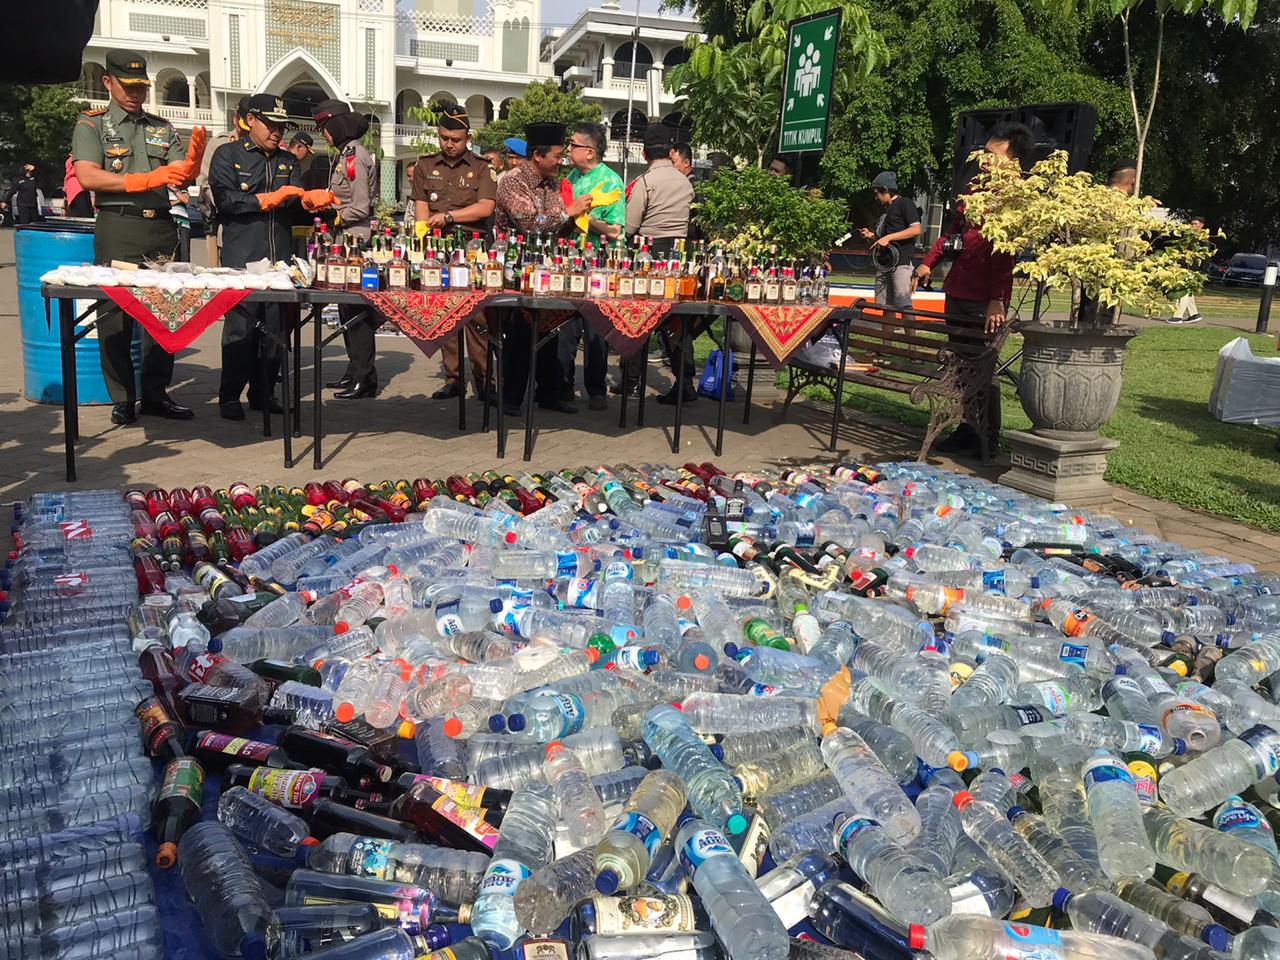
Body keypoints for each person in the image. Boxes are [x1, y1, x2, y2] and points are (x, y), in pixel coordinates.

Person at [72, 48, 206, 425]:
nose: (135, 93)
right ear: (108, 82)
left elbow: (179, 171)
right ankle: (122, 397)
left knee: (164, 313)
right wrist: (141, 180)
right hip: (120, 226)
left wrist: (191, 164)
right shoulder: (92, 125)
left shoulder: (161, 128)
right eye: (127, 85)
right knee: (114, 315)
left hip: (162, 227)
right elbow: (88, 176)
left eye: (141, 87)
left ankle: (155, 394)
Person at [914, 119, 1034, 456]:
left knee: (983, 367)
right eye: (984, 152)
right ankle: (965, 429)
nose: (984, 159)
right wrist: (929, 262)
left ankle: (986, 437)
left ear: (1012, 161)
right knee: (959, 363)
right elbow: (953, 230)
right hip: (958, 289)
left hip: (986, 298)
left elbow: (1004, 253)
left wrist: (997, 299)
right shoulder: (975, 189)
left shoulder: (1014, 198)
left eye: (992, 154)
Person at [208, 94, 316, 420]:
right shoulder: (228, 155)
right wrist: (267, 200)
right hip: (243, 256)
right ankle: (229, 395)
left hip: (278, 258)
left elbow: (295, 204)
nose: (277, 132)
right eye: (271, 124)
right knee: (240, 329)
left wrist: (309, 203)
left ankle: (264, 392)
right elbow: (226, 200)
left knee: (275, 331)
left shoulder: (289, 161)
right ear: (250, 120)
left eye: (281, 126)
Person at [494, 121, 592, 416]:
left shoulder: (550, 182)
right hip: (515, 268)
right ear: (537, 155)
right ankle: (510, 398)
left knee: (552, 331)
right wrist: (568, 211)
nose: (561, 161)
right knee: (520, 334)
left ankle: (549, 393)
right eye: (557, 156)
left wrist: (576, 220)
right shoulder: (512, 181)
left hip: (545, 267)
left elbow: (555, 226)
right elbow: (528, 222)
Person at [411, 102, 498, 402]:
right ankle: (453, 379)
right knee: (445, 313)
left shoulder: (481, 168)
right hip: (438, 250)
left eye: (456, 139)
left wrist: (449, 217)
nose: (449, 144)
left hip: (472, 249)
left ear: (467, 137)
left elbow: (486, 207)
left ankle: (486, 380)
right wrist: (421, 237)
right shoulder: (424, 166)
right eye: (444, 137)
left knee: (477, 317)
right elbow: (421, 212)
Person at [625, 124, 696, 404]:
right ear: (670, 151)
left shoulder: (645, 183)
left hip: (649, 255)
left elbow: (630, 226)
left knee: (639, 319)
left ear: (644, 153)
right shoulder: (686, 183)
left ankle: (632, 382)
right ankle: (685, 382)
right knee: (678, 324)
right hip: (679, 258)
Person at [315, 99, 379, 399]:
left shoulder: (355, 155)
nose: (323, 134)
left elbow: (362, 205)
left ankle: (365, 378)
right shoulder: (345, 154)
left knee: (357, 312)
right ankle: (354, 371)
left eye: (324, 128)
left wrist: (336, 215)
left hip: (354, 240)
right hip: (343, 240)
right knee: (346, 310)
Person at [560, 122, 624, 411]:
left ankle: (596, 390)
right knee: (565, 329)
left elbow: (614, 230)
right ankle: (561, 385)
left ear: (589, 151)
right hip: (568, 263)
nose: (568, 149)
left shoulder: (610, 181)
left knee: (596, 330)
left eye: (573, 145)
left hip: (598, 266)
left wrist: (587, 219)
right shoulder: (571, 177)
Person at [197, 95, 248, 266]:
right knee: (216, 269)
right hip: (218, 216)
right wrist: (226, 200)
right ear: (235, 119)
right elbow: (205, 181)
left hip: (248, 218)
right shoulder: (219, 143)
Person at [861, 171, 921, 317]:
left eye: (877, 193)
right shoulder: (886, 212)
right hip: (884, 264)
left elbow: (916, 229)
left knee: (904, 306)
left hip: (900, 263)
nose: (876, 197)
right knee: (885, 308)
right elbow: (885, 238)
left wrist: (888, 237)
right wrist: (872, 236)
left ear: (886, 190)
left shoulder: (905, 203)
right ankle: (886, 341)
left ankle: (911, 340)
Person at [1168, 215, 1205, 324]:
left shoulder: (1202, 239)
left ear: (1201, 226)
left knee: (1182, 291)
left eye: (1196, 224)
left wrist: (1203, 270)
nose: (1193, 226)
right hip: (1184, 268)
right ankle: (1194, 314)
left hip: (1192, 269)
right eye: (1192, 224)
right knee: (1188, 292)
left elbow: (1205, 256)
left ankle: (1178, 316)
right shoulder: (1188, 237)